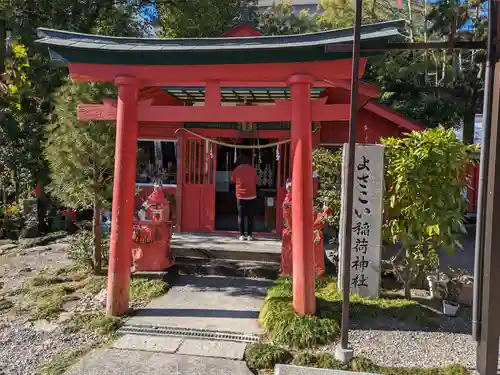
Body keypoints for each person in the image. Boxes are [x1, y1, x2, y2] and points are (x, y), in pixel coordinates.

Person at [231, 153, 258, 241]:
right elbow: (256, 182)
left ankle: (242, 235)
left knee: (241, 216)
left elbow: (232, 181)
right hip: (251, 195)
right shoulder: (253, 170)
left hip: (240, 195)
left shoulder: (236, 170)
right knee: (250, 216)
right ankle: (250, 235)